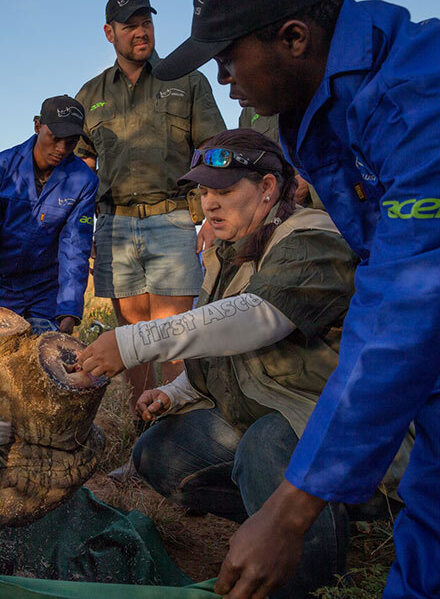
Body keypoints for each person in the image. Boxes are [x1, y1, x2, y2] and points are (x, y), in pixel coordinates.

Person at [152, 0, 440, 596]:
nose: (224, 78)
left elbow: (403, 307)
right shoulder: (321, 111)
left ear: (294, 37)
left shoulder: (413, 101)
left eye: (229, 57)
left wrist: (291, 507)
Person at [75, 128, 408, 597]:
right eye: (204, 191)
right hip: (272, 418)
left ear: (268, 188)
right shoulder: (228, 252)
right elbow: (224, 342)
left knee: (265, 447)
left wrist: (132, 343)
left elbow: (260, 318)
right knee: (156, 453)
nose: (209, 204)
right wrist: (173, 393)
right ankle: (311, 520)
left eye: (225, 190)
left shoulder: (313, 236)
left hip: (352, 434)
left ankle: (310, 580)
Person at [75, 0, 226, 416]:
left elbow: (212, 151)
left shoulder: (187, 81)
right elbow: (83, 170)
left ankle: (181, 427)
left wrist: (214, 219)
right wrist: (81, 232)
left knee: (175, 333)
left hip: (173, 219)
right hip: (115, 227)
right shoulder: (90, 94)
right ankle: (144, 433)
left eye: (147, 23)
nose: (141, 32)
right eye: (130, 26)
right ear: (110, 33)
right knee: (131, 337)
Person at [0, 95, 97, 334]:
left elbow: (75, 246)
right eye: (55, 138)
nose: (61, 149)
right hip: (0, 286)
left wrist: (69, 310)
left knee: (46, 358)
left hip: (47, 290)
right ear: (38, 126)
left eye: (70, 142)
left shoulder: (84, 181)